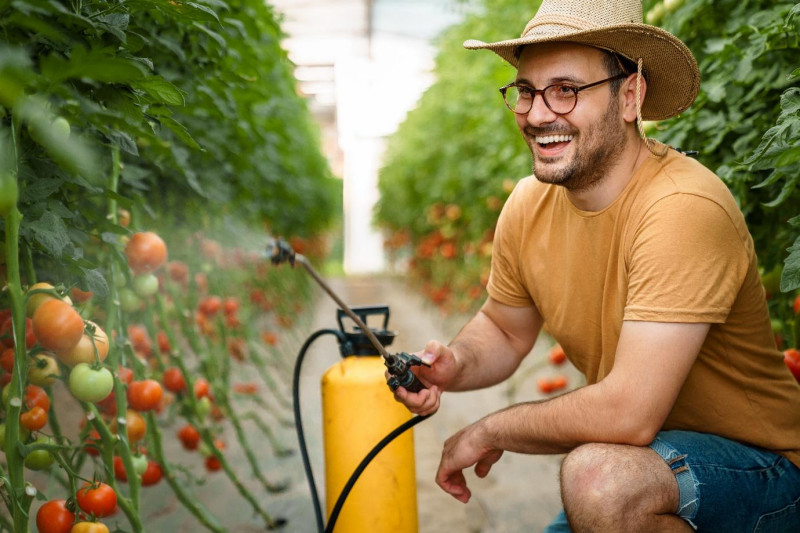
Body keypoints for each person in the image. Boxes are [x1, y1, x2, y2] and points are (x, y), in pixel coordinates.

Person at [391, 0, 800, 531]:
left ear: (630, 96)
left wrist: (488, 430)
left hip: (764, 470)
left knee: (597, 481)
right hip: (653, 464)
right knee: (600, 483)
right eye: (526, 91)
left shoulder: (681, 208)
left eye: (566, 89)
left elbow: (628, 413)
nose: (538, 113)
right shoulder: (528, 204)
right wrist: (455, 364)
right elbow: (504, 329)